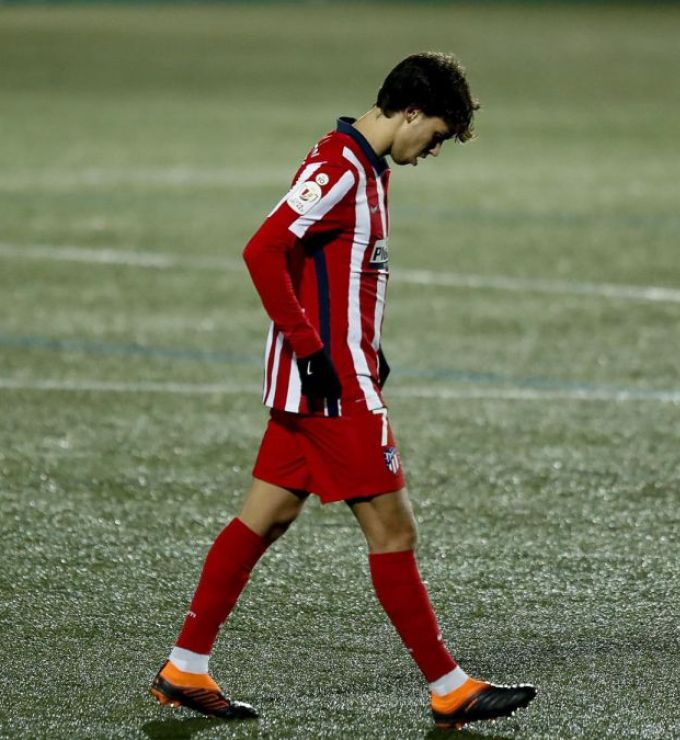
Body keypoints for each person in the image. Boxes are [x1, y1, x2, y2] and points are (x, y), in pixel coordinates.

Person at [148, 52, 536, 730]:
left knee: (264, 518)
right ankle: (448, 687)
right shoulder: (341, 167)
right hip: (332, 389)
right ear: (410, 111)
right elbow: (263, 249)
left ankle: (187, 665)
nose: (433, 151)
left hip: (322, 381)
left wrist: (366, 344)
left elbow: (333, 272)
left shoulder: (366, 166)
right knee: (394, 531)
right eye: (436, 136)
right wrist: (314, 351)